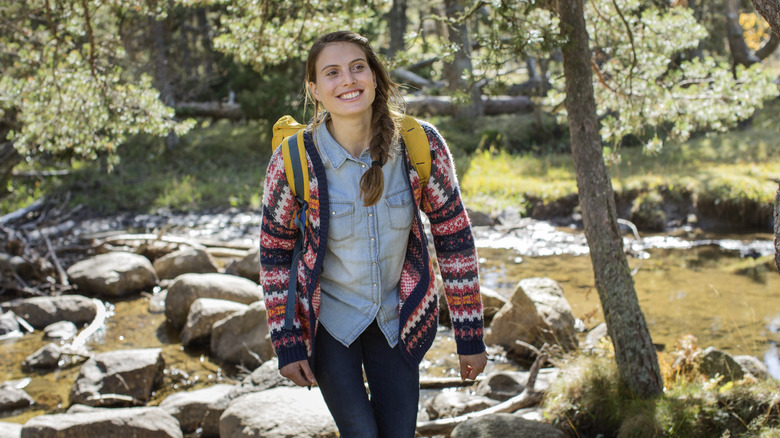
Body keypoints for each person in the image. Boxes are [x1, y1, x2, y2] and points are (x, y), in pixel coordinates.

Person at [259, 30, 487, 438]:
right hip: (329, 325)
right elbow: (274, 254)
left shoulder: (421, 145)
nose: (347, 80)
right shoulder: (293, 161)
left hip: (397, 321)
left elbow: (454, 237)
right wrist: (287, 340)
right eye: (332, 72)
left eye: (357, 67)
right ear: (314, 89)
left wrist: (469, 334)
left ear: (376, 77)